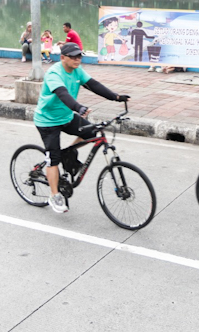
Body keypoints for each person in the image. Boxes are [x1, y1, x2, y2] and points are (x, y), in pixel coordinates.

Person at [33, 42, 130, 214]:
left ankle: (69, 152)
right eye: (73, 57)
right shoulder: (54, 73)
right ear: (63, 58)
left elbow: (94, 85)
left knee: (92, 132)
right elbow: (63, 94)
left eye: (79, 56)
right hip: (47, 121)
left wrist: (116, 97)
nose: (78, 59)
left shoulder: (77, 70)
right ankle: (54, 195)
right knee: (53, 158)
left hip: (66, 117)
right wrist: (79, 108)